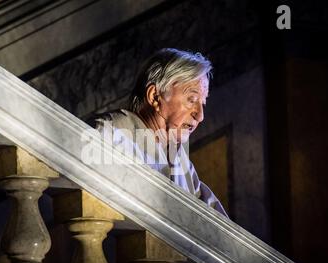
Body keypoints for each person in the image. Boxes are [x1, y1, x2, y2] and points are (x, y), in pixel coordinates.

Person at [90, 48, 228, 218]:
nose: (200, 115)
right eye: (191, 100)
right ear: (155, 96)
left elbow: (218, 227)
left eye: (203, 104)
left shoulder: (181, 162)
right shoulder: (110, 133)